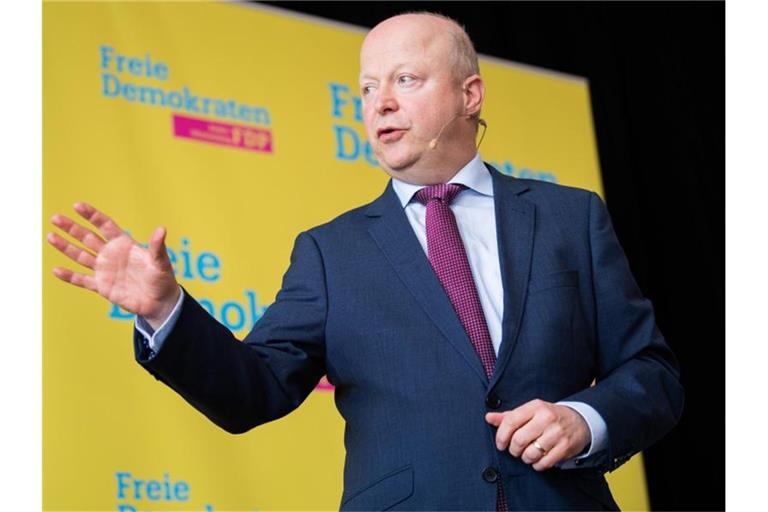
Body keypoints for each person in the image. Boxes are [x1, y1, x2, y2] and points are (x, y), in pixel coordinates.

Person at [48, 12, 683, 511]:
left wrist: (583, 418)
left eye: (405, 79)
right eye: (368, 87)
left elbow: (651, 373)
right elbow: (255, 391)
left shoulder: (571, 216)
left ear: (470, 95)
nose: (379, 102)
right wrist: (165, 310)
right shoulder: (330, 252)